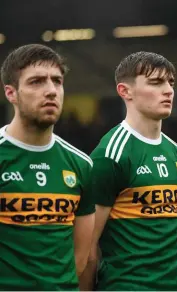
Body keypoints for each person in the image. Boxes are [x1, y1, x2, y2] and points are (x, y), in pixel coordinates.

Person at [80, 52, 177, 290]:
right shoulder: (110, 154)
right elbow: (88, 246)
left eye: (170, 82)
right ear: (124, 91)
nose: (168, 90)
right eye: (156, 82)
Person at [0, 44, 94, 290]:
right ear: (11, 93)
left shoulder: (81, 164)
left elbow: (81, 258)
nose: (51, 91)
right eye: (36, 82)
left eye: (57, 81)